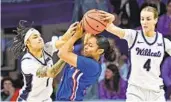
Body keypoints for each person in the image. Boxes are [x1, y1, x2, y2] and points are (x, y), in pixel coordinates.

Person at [99, 5, 171, 101]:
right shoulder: (134, 36)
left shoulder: (163, 41)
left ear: (155, 20)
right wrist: (107, 23)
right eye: (142, 19)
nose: (144, 22)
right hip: (136, 89)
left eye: (148, 19)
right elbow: (115, 30)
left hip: (156, 90)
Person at [10, 20, 78, 102]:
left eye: (40, 36)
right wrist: (64, 56)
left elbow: (63, 41)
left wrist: (73, 32)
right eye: (35, 37)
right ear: (27, 43)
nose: (40, 39)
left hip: (46, 99)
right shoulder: (27, 61)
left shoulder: (46, 49)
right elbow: (51, 73)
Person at [55, 23, 116, 101]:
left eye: (90, 45)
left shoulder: (92, 65)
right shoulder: (84, 60)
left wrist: (76, 36)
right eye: (86, 44)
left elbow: (61, 53)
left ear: (100, 51)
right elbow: (65, 49)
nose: (86, 47)